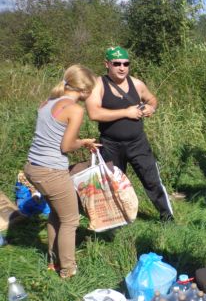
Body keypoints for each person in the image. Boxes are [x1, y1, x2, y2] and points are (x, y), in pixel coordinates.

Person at [23, 65, 100, 278]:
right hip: (51, 171)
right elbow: (66, 146)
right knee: (71, 220)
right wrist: (82, 142)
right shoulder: (75, 109)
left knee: (57, 215)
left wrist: (80, 141)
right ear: (84, 90)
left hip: (33, 167)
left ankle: (53, 261)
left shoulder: (47, 103)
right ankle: (68, 270)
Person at [86, 46, 173, 221]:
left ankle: (167, 217)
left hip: (138, 143)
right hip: (110, 144)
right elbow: (94, 113)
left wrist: (151, 108)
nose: (122, 68)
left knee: (152, 180)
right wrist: (126, 112)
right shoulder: (98, 85)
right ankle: (117, 221)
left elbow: (152, 99)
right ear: (107, 64)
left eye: (126, 64)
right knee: (113, 185)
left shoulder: (136, 84)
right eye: (117, 63)